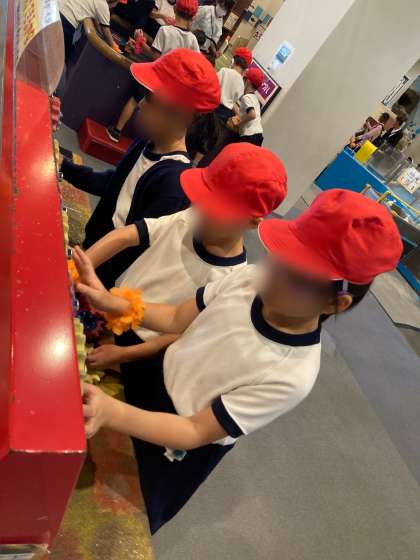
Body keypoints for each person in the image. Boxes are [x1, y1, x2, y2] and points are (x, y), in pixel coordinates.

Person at [75, 188, 402, 534]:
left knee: (115, 516)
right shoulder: (251, 278)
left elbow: (195, 430)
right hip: (154, 379)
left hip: (175, 443)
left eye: (297, 277)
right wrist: (115, 303)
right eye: (282, 257)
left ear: (337, 303)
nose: (275, 276)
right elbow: (175, 317)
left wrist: (112, 413)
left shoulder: (291, 373)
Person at [83, 143, 287, 371]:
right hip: (113, 305)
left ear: (252, 222)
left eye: (216, 210)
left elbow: (176, 334)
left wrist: (123, 354)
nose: (203, 212)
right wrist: (82, 266)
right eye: (203, 199)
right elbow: (127, 235)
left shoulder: (229, 278)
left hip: (139, 347)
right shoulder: (191, 216)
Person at [61, 49, 220, 288]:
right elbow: (114, 184)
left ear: (180, 115)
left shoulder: (173, 182)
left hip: (101, 278)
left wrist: (86, 275)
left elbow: (135, 249)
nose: (142, 104)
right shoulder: (146, 143)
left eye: (151, 99)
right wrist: (65, 167)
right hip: (91, 252)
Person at [107, 0, 200, 142]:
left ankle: (116, 131)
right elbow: (195, 65)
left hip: (155, 76)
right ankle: (146, 143)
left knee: (135, 100)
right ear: (193, 16)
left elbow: (155, 56)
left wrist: (141, 41)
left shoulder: (166, 31)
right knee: (158, 113)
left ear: (175, 9)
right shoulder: (193, 40)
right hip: (173, 85)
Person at [216, 47, 253, 123]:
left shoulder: (224, 71)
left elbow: (213, 85)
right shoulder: (242, 84)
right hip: (225, 114)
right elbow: (234, 100)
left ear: (233, 60)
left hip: (213, 105)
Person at [233, 67, 264, 146]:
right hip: (258, 134)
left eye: (244, 78)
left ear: (248, 82)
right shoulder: (255, 99)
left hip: (249, 135)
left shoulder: (246, 97)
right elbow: (244, 112)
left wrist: (239, 124)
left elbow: (252, 115)